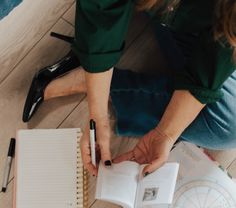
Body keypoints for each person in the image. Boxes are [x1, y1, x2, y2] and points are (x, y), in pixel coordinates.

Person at [23, 0, 236, 177]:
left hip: (213, 26)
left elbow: (217, 59)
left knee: (228, 129)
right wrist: (97, 115)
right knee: (227, 127)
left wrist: (166, 133)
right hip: (176, 14)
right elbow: (101, 13)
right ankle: (94, 74)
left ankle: (94, 77)